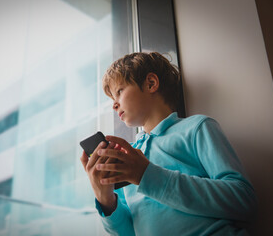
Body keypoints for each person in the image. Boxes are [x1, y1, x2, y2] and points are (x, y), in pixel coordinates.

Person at [80, 52, 257, 235]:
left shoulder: (196, 128)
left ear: (151, 83)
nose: (114, 105)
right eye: (112, 99)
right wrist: (106, 200)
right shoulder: (129, 158)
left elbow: (244, 201)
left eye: (119, 92)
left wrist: (146, 175)